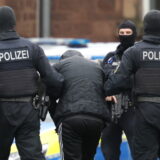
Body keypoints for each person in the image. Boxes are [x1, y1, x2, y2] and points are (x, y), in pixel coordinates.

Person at [0, 6, 64, 160]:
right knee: (32, 155)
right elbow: (52, 79)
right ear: (14, 24)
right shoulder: (32, 48)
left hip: (2, 110)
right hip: (28, 110)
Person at [104, 10, 160, 160]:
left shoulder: (134, 52)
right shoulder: (115, 56)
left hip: (144, 111)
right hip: (135, 111)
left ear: (144, 28)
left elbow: (116, 82)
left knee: (144, 155)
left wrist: (105, 89)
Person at [49, 50, 110, 160]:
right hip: (96, 120)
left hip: (70, 119)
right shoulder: (97, 67)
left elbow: (49, 95)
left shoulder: (59, 66)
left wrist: (57, 122)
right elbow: (107, 91)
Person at [101, 20, 136, 160]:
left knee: (138, 149)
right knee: (109, 149)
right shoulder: (110, 57)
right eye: (122, 33)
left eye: (128, 33)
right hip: (111, 109)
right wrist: (105, 94)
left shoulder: (138, 55)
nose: (125, 35)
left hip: (132, 108)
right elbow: (101, 78)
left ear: (134, 34)